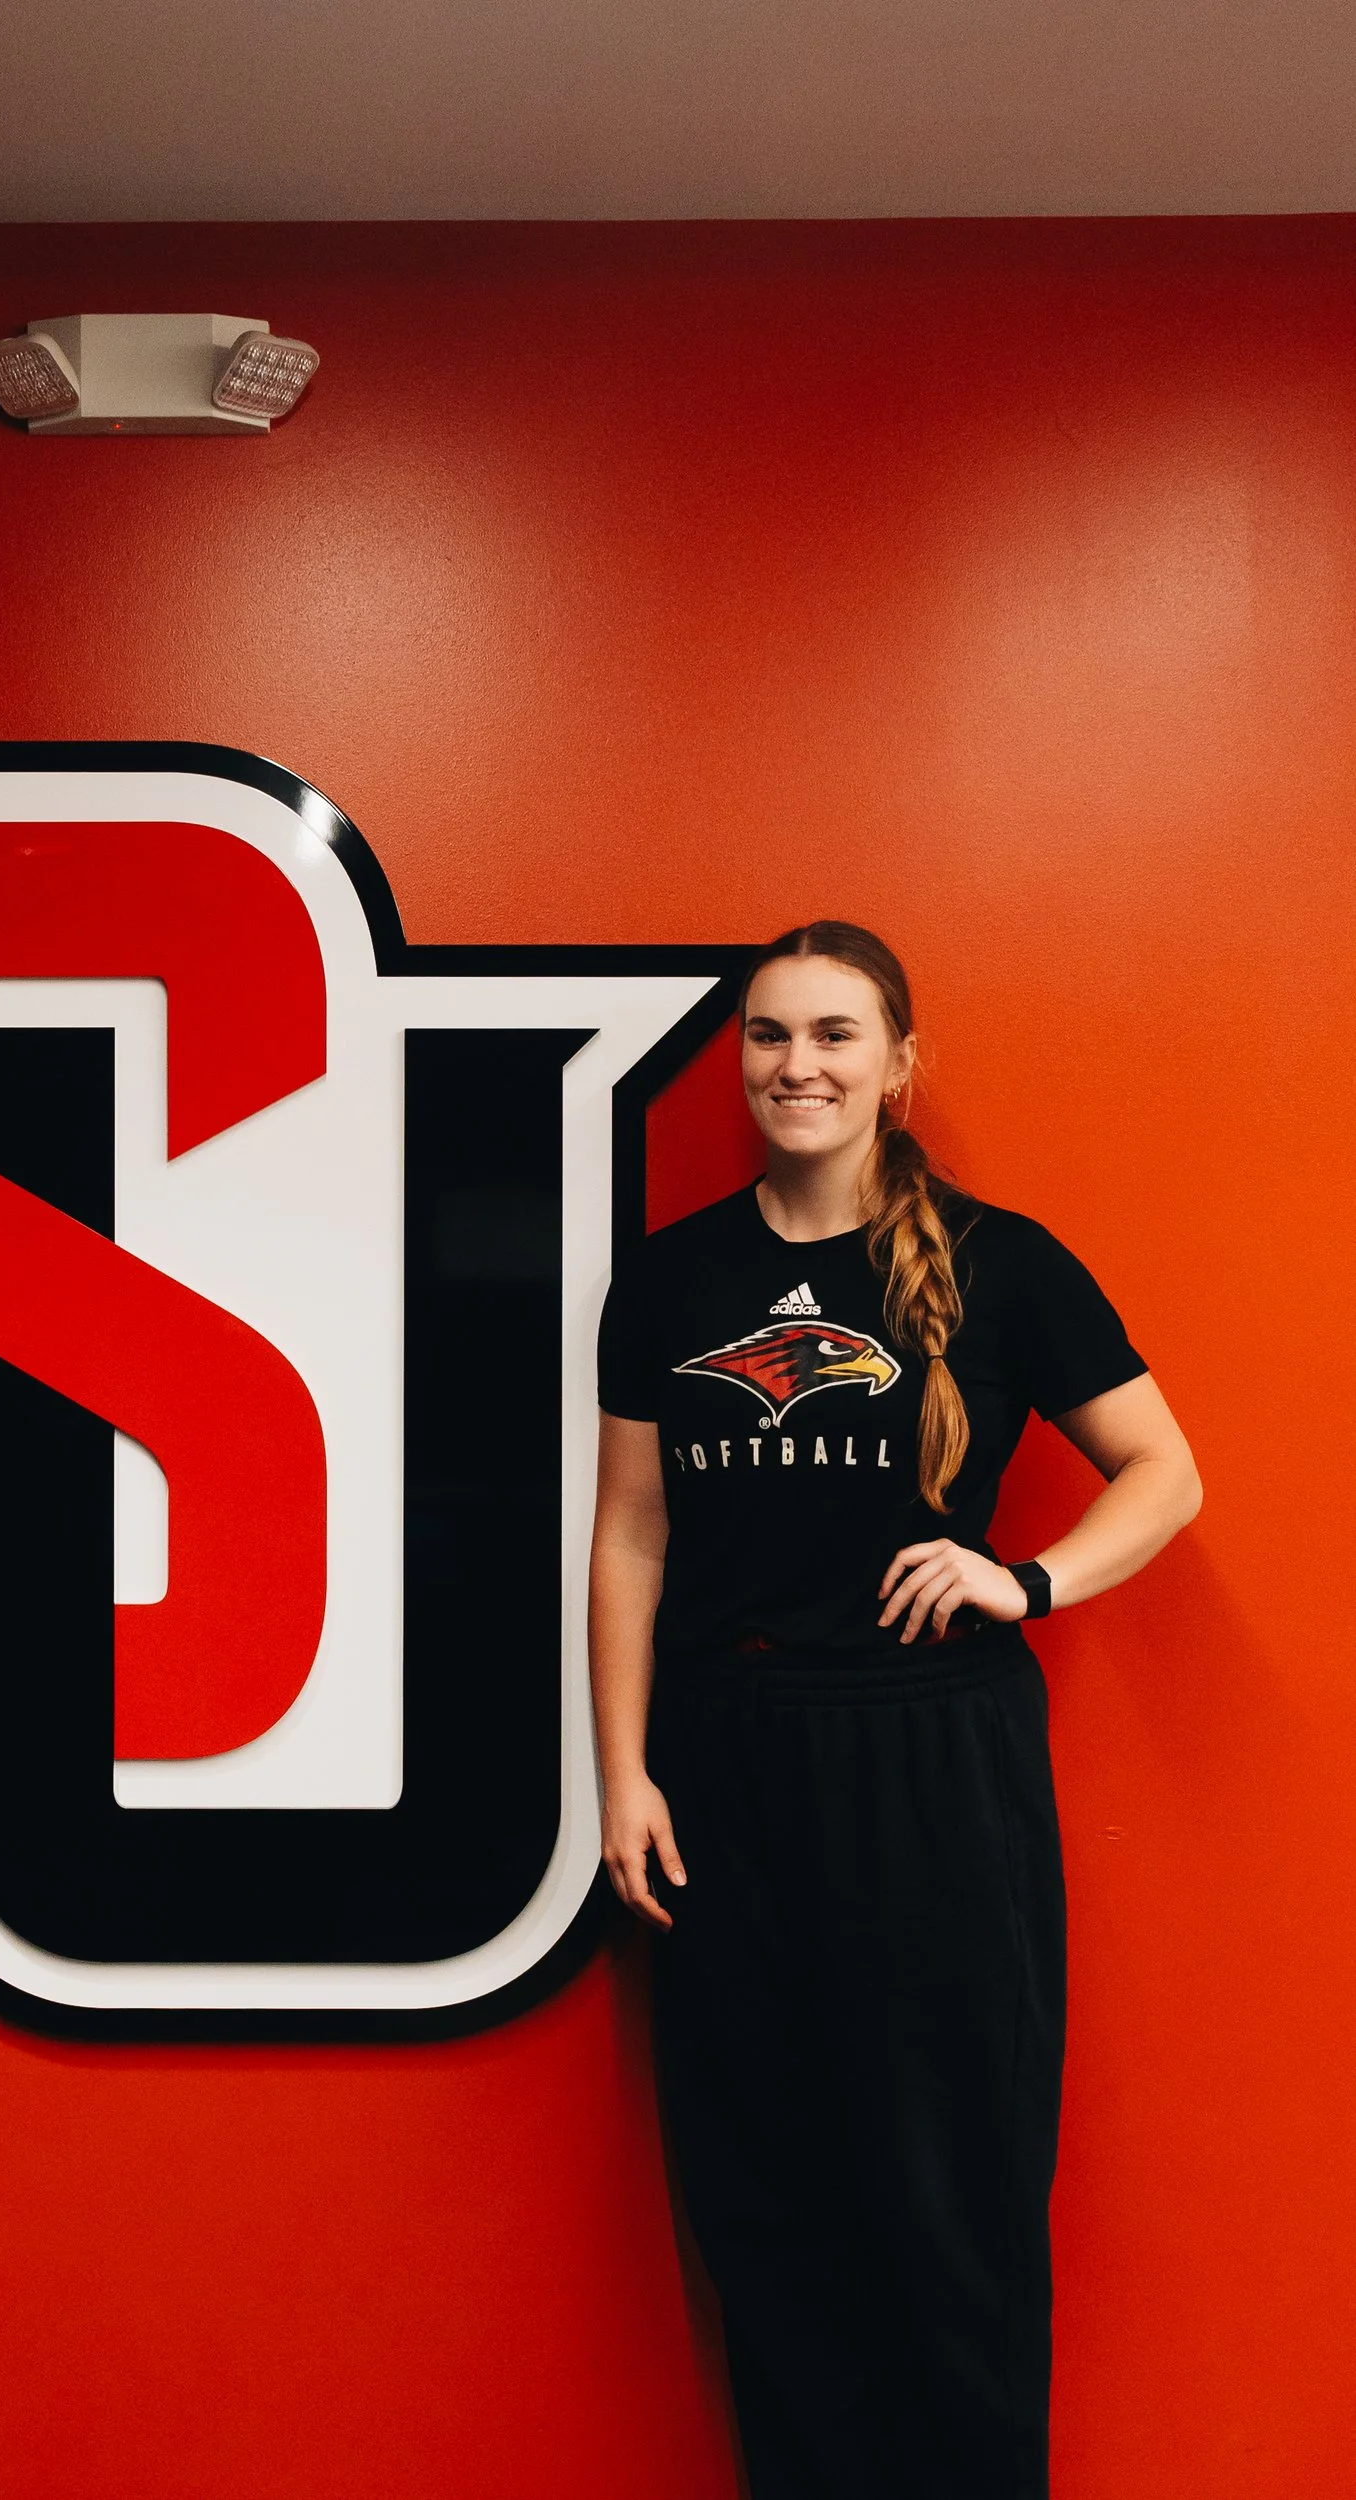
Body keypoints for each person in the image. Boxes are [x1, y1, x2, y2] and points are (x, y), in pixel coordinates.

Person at [589, 922, 1200, 2500]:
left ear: (898, 1064)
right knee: (767, 2206)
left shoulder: (1002, 1262)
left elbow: (1167, 1473)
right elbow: (632, 1535)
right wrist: (623, 1776)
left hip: (935, 1758)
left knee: (951, 2198)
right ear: (740, 1063)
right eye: (771, 1037)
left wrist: (1033, 1581)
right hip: (725, 1765)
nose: (800, 1066)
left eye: (836, 1036)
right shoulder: (671, 1280)